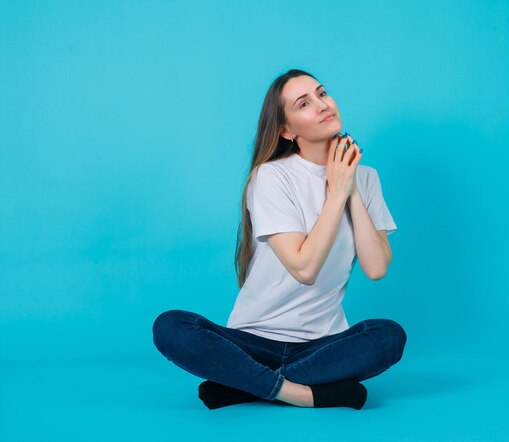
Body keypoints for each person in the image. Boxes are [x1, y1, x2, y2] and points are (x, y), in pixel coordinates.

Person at [152, 69, 407, 410]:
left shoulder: (366, 178)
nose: (322, 105)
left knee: (389, 335)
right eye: (304, 103)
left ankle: (244, 384)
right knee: (170, 326)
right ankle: (299, 392)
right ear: (287, 130)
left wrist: (350, 188)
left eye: (321, 93)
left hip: (322, 344)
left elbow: (376, 268)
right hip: (253, 340)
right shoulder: (271, 177)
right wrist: (336, 195)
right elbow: (305, 269)